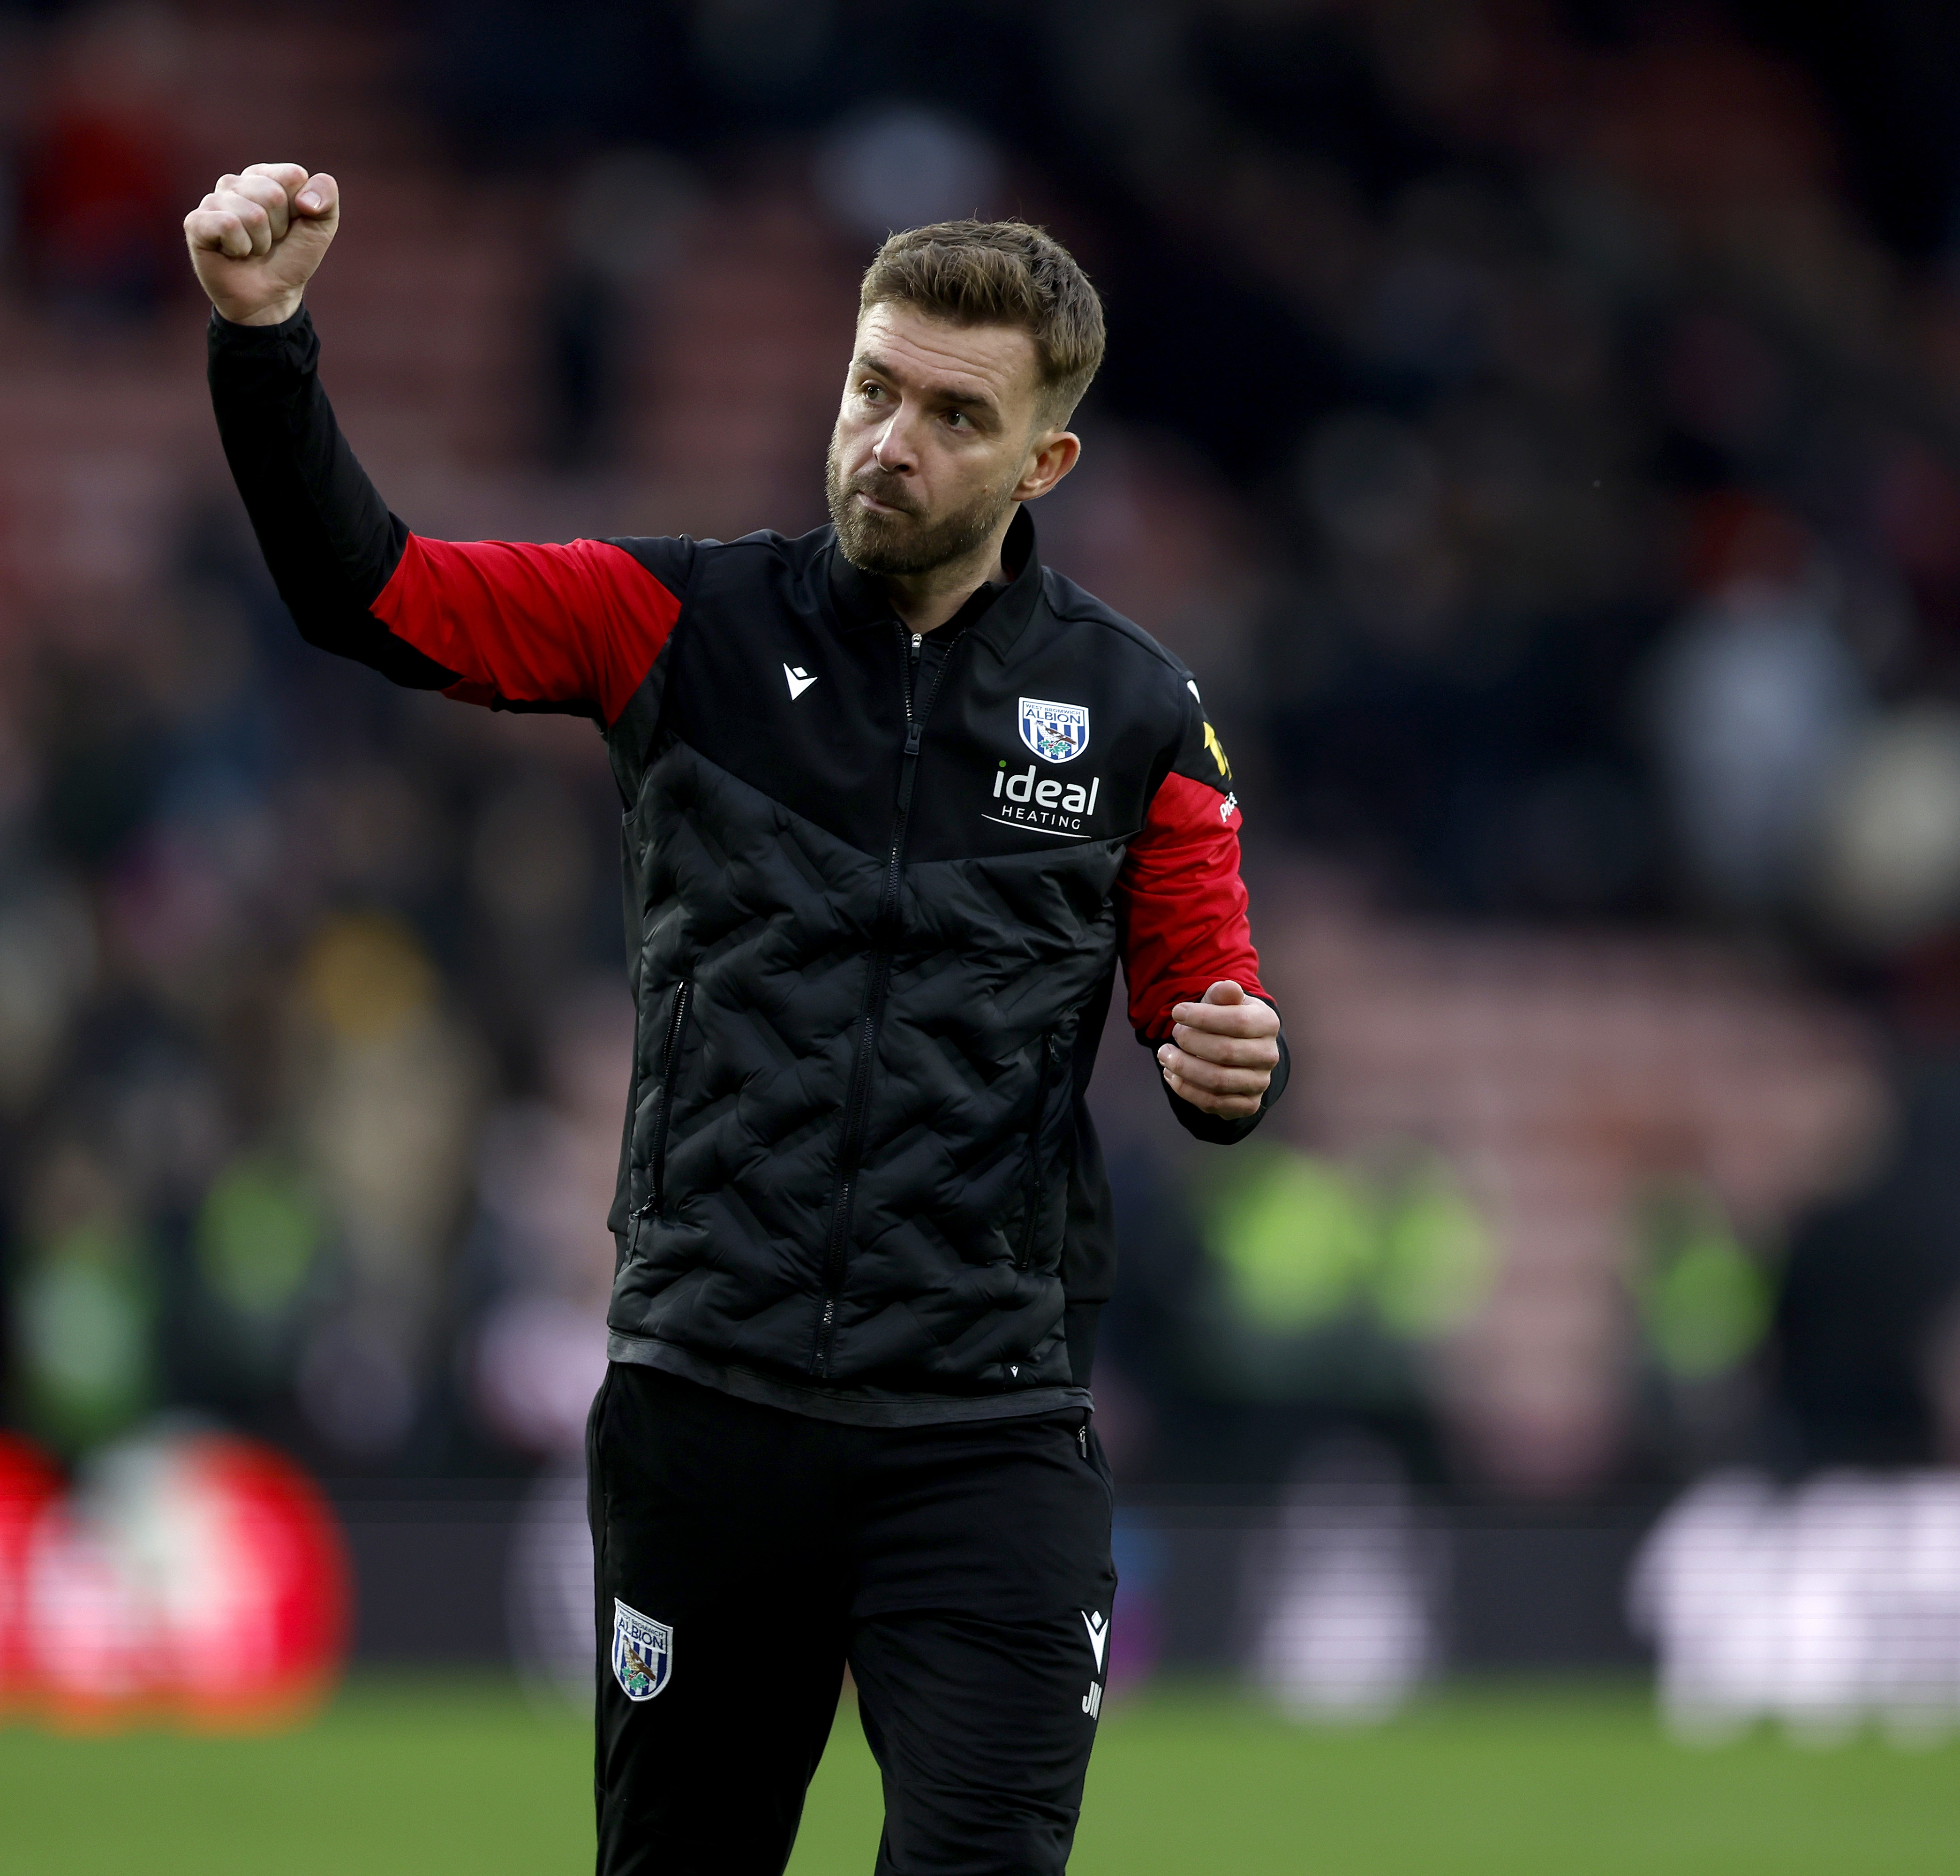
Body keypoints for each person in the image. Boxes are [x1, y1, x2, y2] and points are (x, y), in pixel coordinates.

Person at [190, 162, 1284, 1876]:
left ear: (1042, 463)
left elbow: (1205, 1003)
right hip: (711, 1422)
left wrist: (1231, 1063)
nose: (887, 441)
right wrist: (264, 340)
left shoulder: (1137, 710)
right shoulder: (677, 625)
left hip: (984, 1438)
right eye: (870, 388)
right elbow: (374, 596)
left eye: (950, 413)